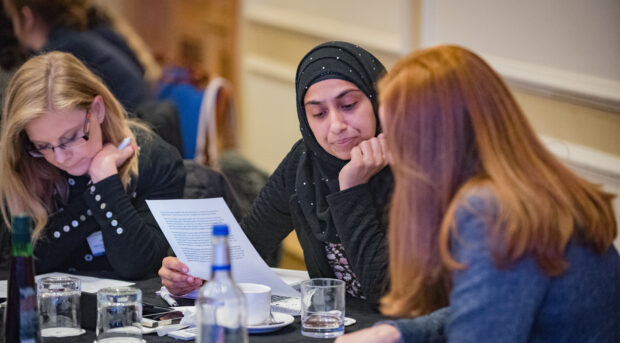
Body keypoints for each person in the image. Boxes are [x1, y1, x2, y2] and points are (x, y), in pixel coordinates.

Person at [335, 45, 620, 343]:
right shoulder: (534, 187)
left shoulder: (489, 210)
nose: (393, 155)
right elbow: (491, 304)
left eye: (398, 138)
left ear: (433, 141)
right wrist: (396, 332)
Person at [159, 41, 394, 306]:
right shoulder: (304, 163)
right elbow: (248, 248)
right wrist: (192, 275)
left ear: (379, 101)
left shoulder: (414, 169)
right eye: (319, 113)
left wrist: (351, 190)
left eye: (349, 105)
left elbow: (388, 293)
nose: (337, 125)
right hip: (333, 324)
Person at [0, 51, 185, 280]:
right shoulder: (24, 161)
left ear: (97, 109)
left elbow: (139, 265)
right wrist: (94, 199)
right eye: (43, 145)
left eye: (69, 137)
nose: (59, 157)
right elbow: (18, 263)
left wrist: (106, 183)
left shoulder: (156, 159)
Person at [2, 0, 149, 112]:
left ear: (27, 17)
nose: (14, 31)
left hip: (134, 129)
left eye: (12, 18)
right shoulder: (81, 37)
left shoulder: (56, 58)